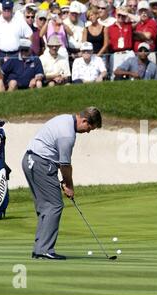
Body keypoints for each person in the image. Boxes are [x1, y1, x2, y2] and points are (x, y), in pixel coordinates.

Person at [22, 107, 102, 260]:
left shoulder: (64, 118)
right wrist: (69, 185)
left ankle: (39, 249)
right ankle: (45, 249)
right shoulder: (68, 135)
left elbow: (58, 158)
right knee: (54, 205)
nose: (88, 132)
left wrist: (64, 181)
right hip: (40, 163)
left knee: (45, 207)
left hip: (30, 160)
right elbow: (65, 165)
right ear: (84, 120)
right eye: (89, 128)